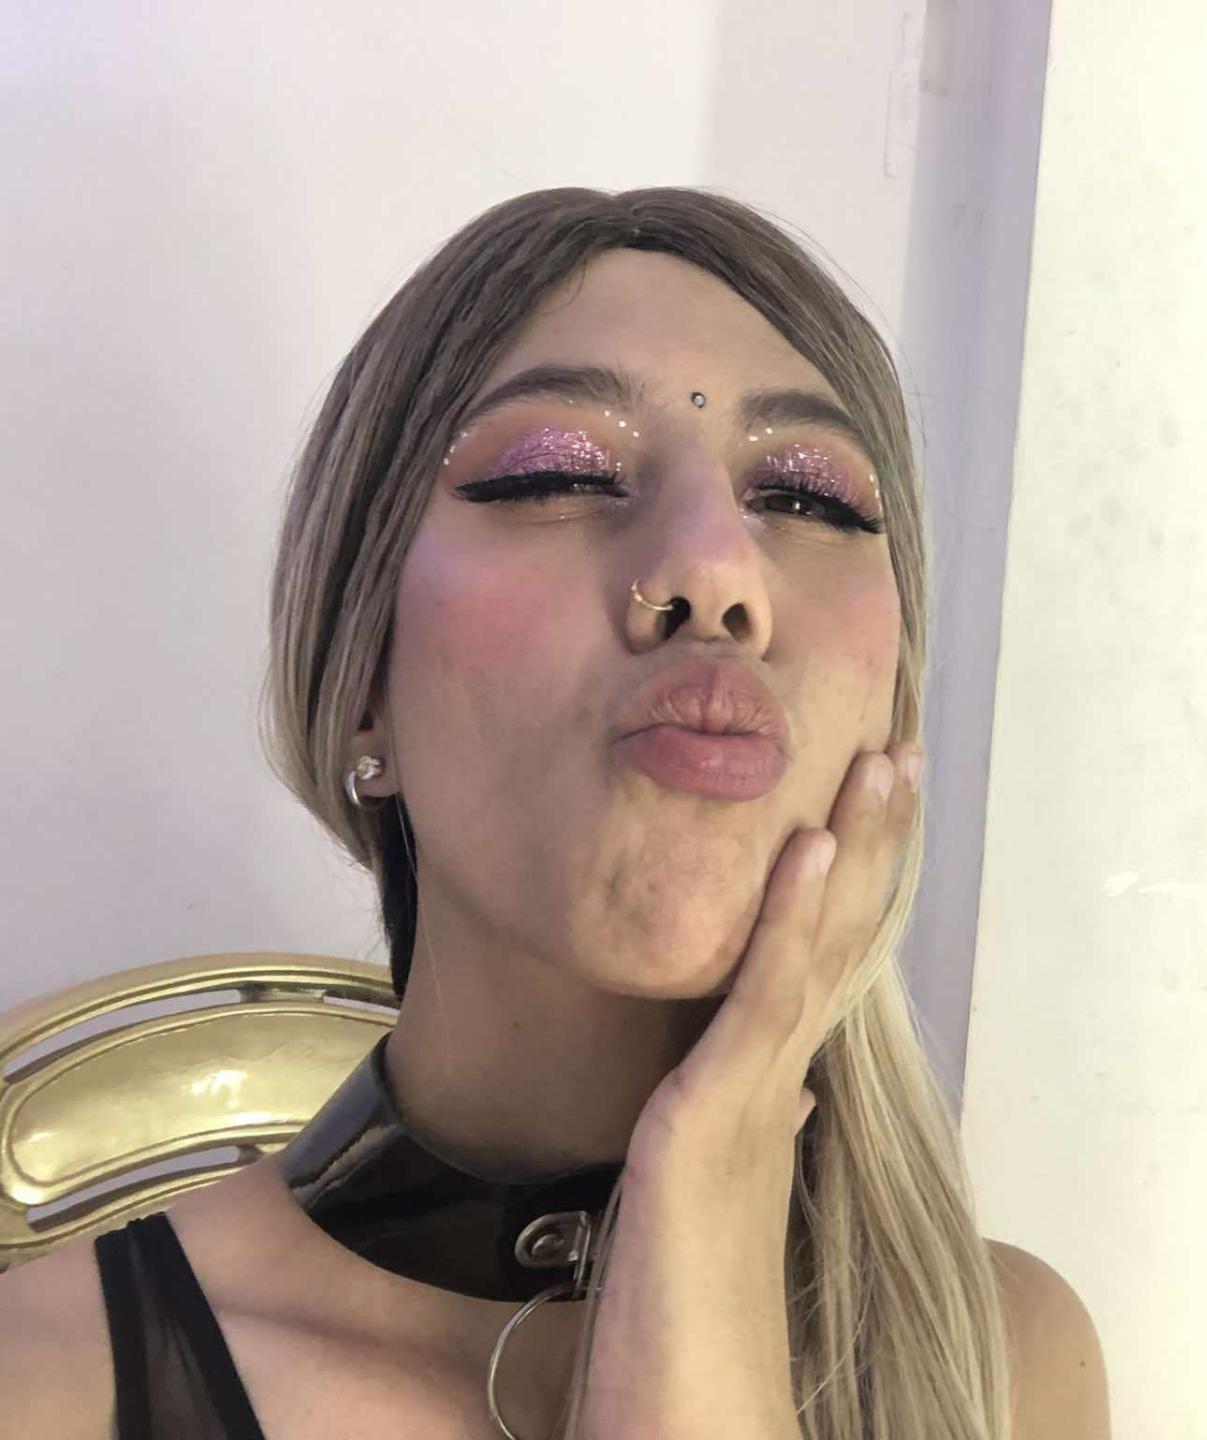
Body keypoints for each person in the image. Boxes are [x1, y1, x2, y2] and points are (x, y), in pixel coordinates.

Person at [0, 187, 1109, 1439]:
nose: (716, 568)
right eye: (556, 475)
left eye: (810, 499)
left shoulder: (1006, 1367)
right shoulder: (40, 1385)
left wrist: (713, 1193)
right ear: (360, 686)